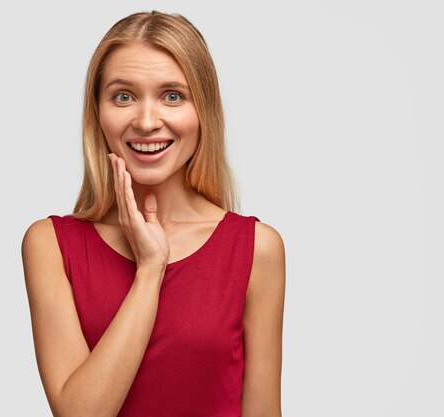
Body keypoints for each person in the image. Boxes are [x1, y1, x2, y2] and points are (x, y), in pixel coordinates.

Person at [21, 11, 285, 417]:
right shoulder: (51, 244)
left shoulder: (256, 249)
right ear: (98, 112)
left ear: (204, 111)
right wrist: (149, 270)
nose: (146, 122)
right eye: (123, 96)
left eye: (173, 96)